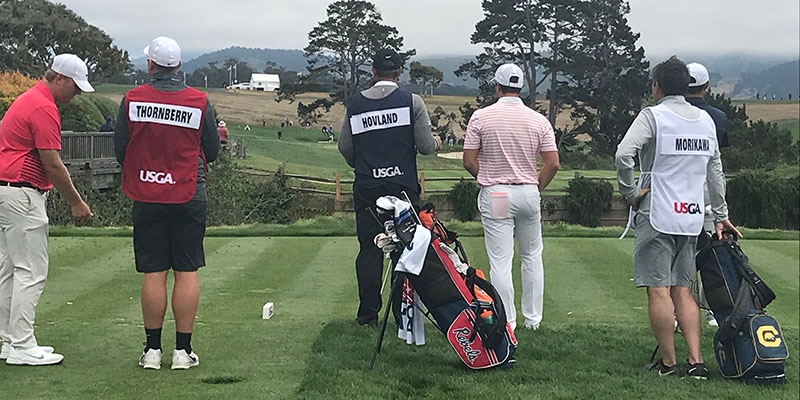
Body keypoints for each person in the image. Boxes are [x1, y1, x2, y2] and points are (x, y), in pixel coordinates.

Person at [615, 56, 741, 379]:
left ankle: (670, 364)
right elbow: (715, 172)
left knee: (658, 290)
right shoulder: (705, 122)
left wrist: (630, 194)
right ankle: (696, 361)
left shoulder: (652, 117)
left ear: (656, 87)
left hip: (657, 212)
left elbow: (623, 154)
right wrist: (721, 215)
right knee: (683, 290)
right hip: (690, 216)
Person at [114, 36, 220, 371]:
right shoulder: (199, 101)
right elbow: (213, 151)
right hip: (189, 192)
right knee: (186, 269)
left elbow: (121, 151)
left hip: (146, 193)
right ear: (178, 66)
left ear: (150, 65)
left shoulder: (132, 99)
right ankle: (182, 352)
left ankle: (152, 351)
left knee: (153, 270)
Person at [0, 53, 94, 366]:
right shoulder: (42, 106)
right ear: (60, 79)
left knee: (10, 270)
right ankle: (22, 345)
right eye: (75, 87)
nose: (77, 94)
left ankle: (9, 341)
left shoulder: (30, 98)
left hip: (7, 189)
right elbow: (52, 164)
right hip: (23, 192)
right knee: (30, 271)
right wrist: (76, 201)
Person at [338, 48, 441, 327]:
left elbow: (345, 147)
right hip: (403, 188)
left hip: (368, 187)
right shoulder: (412, 102)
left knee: (370, 250)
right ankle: (402, 315)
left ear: (372, 72)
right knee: (404, 250)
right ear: (399, 72)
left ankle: (367, 315)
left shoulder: (355, 104)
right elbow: (425, 146)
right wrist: (437, 143)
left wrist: (361, 164)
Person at [462, 63, 560, 331]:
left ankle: (509, 322)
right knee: (531, 256)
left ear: (497, 86)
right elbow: (552, 163)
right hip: (528, 191)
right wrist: (535, 187)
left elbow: (469, 161)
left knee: (501, 260)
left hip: (498, 193)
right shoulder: (539, 120)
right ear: (520, 88)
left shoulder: (481, 117)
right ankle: (534, 320)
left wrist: (489, 178)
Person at [686, 62, 730, 326]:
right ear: (706, 87)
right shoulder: (718, 117)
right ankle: (714, 309)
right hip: (709, 192)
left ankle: (684, 311)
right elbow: (716, 163)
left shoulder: (668, 114)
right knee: (714, 253)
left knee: (685, 256)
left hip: (679, 191)